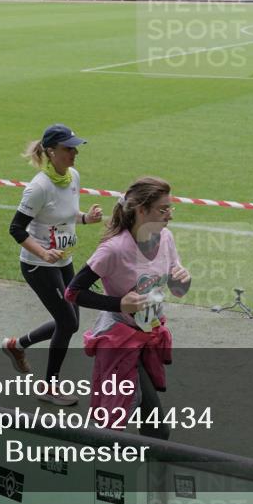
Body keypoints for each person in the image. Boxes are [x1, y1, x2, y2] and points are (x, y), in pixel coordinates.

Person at [64, 176, 191, 440]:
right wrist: (119, 303)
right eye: (163, 209)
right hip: (120, 340)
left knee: (136, 418)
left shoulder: (165, 238)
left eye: (170, 208)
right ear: (141, 211)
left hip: (149, 335)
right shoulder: (114, 249)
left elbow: (175, 287)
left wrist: (182, 281)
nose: (170, 215)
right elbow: (73, 292)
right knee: (142, 424)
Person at [4, 124, 103, 406]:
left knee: (69, 322)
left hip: (63, 261)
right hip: (38, 265)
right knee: (68, 322)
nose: (74, 153)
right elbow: (16, 229)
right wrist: (43, 253)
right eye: (68, 148)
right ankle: (49, 387)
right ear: (50, 152)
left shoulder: (73, 176)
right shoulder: (39, 187)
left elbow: (66, 216)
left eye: (75, 148)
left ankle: (17, 345)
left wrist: (86, 219)